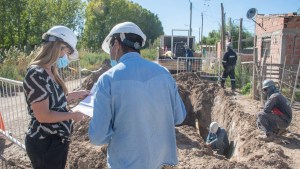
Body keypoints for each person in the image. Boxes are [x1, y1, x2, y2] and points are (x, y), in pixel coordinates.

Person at [88, 22, 187, 169]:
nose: (110, 53)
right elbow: (179, 117)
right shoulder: (164, 74)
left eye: (110, 47)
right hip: (156, 162)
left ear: (116, 44)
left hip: (123, 163)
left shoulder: (107, 80)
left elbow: (98, 137)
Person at [23, 25, 89, 169]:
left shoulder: (50, 71)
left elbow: (55, 102)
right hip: (44, 143)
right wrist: (72, 115)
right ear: (58, 47)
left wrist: (76, 95)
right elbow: (44, 115)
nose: (66, 56)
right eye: (67, 51)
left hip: (56, 141)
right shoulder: (36, 74)